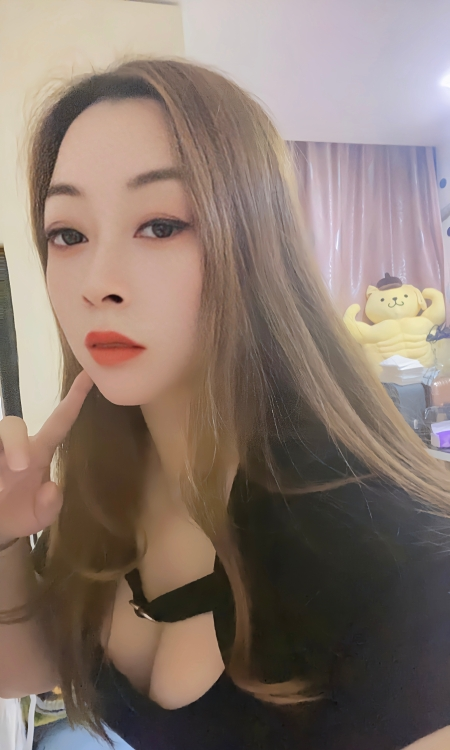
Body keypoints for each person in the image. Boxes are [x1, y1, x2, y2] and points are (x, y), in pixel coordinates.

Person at [0, 58, 449, 750]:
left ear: (257, 243)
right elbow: (28, 667)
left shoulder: (394, 555)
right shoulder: (100, 485)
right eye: (68, 234)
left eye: (160, 225)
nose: (97, 282)